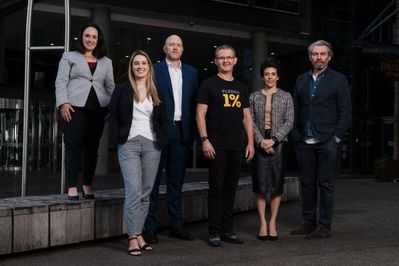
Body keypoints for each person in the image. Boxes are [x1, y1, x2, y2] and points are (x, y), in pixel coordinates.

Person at [108, 50, 168, 256]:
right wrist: (118, 139)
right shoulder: (122, 89)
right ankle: (132, 237)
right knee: (133, 191)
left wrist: (162, 140)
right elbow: (113, 116)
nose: (140, 66)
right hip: (129, 145)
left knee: (146, 193)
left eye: (143, 63)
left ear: (149, 67)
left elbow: (164, 120)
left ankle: (139, 233)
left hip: (152, 145)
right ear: (131, 67)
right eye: (136, 64)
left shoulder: (157, 91)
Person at [290, 40, 351, 239]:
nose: (319, 57)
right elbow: (295, 109)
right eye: (315, 54)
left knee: (326, 184)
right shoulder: (301, 79)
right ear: (310, 57)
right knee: (307, 183)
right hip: (304, 141)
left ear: (329, 57)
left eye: (323, 54)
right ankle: (308, 222)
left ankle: (324, 226)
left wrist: (337, 138)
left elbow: (345, 112)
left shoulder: (339, 79)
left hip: (327, 141)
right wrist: (296, 135)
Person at [196, 45, 255, 247]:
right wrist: (205, 140)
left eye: (229, 58)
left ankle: (228, 230)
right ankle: (214, 232)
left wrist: (250, 143)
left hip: (237, 145)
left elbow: (247, 118)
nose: (225, 61)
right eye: (221, 58)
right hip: (216, 145)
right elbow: (200, 114)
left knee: (231, 189)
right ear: (216, 61)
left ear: (235, 60)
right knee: (216, 188)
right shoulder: (208, 84)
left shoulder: (242, 87)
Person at [144, 35, 198, 243]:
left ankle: (176, 226)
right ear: (164, 48)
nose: (175, 48)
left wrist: (193, 132)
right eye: (171, 45)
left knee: (176, 183)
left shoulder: (192, 72)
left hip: (181, 132)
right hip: (158, 132)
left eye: (178, 45)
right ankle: (150, 228)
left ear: (182, 49)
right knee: (153, 182)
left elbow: (195, 103)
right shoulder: (155, 69)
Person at [55, 23, 115, 200]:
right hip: (73, 108)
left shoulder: (106, 62)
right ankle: (72, 186)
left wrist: (111, 107)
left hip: (98, 110)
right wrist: (63, 103)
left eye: (94, 37)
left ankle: (87, 185)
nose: (90, 39)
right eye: (87, 36)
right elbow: (61, 81)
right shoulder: (69, 56)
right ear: (81, 37)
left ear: (99, 40)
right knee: (73, 147)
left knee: (92, 149)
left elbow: (110, 87)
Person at [249, 57, 294, 241]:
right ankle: (262, 223)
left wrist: (274, 140)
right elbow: (249, 121)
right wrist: (261, 142)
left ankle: (273, 222)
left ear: (278, 77)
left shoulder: (286, 96)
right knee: (260, 186)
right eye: (266, 74)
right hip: (260, 144)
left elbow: (289, 121)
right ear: (262, 76)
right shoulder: (254, 96)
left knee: (276, 186)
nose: (269, 77)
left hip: (279, 145)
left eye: (273, 74)